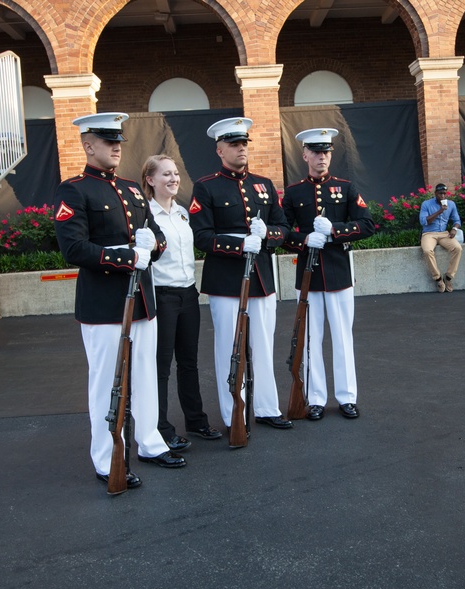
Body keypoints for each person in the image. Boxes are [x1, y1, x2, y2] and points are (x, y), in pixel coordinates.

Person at [53, 113, 186, 490]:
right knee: (107, 384)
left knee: (145, 377)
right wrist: (127, 256)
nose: (115, 147)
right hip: (105, 306)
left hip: (143, 302)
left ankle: (150, 443)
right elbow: (73, 247)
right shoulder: (74, 190)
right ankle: (104, 456)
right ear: (87, 145)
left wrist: (152, 246)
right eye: (106, 141)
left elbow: (157, 237)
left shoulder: (130, 189)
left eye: (118, 141)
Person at [189, 117, 293, 440]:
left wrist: (269, 234)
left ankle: (266, 407)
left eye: (244, 143)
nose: (241, 149)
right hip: (225, 279)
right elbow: (202, 237)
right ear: (220, 149)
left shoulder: (263, 184)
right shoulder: (206, 187)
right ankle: (233, 410)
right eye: (234, 144)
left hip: (260, 276)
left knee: (262, 344)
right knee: (228, 348)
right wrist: (238, 243)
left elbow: (284, 229)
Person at [281, 128, 375, 421]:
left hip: (338, 274)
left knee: (343, 338)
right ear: (305, 154)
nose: (322, 157)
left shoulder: (346, 187)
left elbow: (367, 225)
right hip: (308, 277)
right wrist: (305, 239)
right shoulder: (294, 192)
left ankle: (347, 397)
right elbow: (282, 232)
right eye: (316, 152)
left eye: (326, 152)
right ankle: (316, 398)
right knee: (310, 339)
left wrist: (335, 231)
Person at [141, 154, 222, 451]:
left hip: (188, 293)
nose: (174, 179)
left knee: (189, 362)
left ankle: (196, 421)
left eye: (175, 173)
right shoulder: (146, 215)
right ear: (150, 180)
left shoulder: (182, 213)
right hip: (162, 296)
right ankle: (161, 428)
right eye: (166, 174)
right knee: (161, 366)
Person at [418, 183, 462, 293]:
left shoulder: (451, 204)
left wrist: (454, 229)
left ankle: (448, 277)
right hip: (429, 233)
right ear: (435, 193)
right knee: (427, 251)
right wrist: (440, 211)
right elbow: (424, 221)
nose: (443, 196)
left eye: (444, 194)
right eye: (440, 194)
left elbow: (457, 221)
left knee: (457, 248)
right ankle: (438, 278)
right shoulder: (426, 204)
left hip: (444, 234)